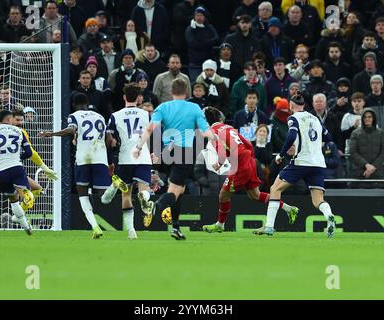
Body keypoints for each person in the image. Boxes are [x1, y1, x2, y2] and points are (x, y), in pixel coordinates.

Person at [132, 78, 216, 240]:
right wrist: (217, 140)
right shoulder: (194, 107)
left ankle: (175, 227)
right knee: (175, 190)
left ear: (171, 92)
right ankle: (155, 206)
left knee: (179, 189)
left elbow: (150, 129)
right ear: (187, 92)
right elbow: (206, 132)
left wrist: (138, 147)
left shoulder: (163, 107)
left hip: (166, 153)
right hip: (183, 153)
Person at [40, 93, 127, 239]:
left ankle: (95, 227)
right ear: (88, 103)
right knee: (105, 198)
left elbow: (71, 130)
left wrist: (52, 134)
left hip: (83, 159)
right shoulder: (99, 117)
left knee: (83, 195)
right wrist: (109, 160)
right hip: (100, 158)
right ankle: (114, 185)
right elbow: (109, 139)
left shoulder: (74, 116)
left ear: (74, 104)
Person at [201, 107, 298, 233]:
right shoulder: (228, 127)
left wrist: (219, 163)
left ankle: (220, 224)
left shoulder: (213, 132)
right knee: (255, 195)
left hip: (240, 165)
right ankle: (289, 209)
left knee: (223, 196)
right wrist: (250, 160)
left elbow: (221, 150)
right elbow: (247, 144)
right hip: (249, 161)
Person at [253, 92, 336, 237]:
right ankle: (329, 215)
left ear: (291, 106)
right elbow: (328, 136)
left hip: (301, 162)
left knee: (275, 188)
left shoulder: (293, 118)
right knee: (318, 200)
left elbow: (291, 135)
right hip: (318, 163)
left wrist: (281, 154)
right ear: (304, 105)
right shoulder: (315, 118)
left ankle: (269, 227)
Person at [0, 110, 57, 222]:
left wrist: (45, 168)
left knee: (36, 188)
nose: (19, 122)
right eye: (17, 120)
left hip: (11, 168)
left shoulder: (20, 132)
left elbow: (31, 152)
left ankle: (18, 217)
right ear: (10, 119)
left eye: (21, 120)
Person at [102, 83, 155, 237]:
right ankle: (144, 199)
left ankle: (131, 230)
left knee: (126, 193)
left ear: (124, 97)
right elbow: (153, 133)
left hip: (126, 156)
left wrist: (110, 159)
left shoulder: (116, 115)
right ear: (139, 98)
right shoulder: (146, 115)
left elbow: (109, 139)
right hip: (142, 155)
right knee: (144, 189)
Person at [0, 110, 33, 234]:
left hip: (1, 172)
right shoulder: (19, 131)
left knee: (13, 200)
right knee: (27, 194)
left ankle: (26, 226)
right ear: (9, 119)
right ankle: (28, 196)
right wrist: (19, 157)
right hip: (16, 168)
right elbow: (29, 153)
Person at [349, 108, 384, 184]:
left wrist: (373, 167)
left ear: (373, 118)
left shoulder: (380, 133)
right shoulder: (355, 133)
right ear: (362, 119)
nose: (367, 119)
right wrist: (366, 165)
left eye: (369, 117)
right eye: (365, 117)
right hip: (359, 172)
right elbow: (353, 152)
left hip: (377, 173)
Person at [185, 6, 219, 82]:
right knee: (196, 83)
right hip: (195, 63)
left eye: (201, 15)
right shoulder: (190, 29)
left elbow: (216, 39)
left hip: (208, 63)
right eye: (197, 15)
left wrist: (202, 42)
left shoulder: (209, 27)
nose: (199, 17)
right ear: (194, 17)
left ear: (204, 16)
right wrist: (207, 43)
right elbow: (192, 43)